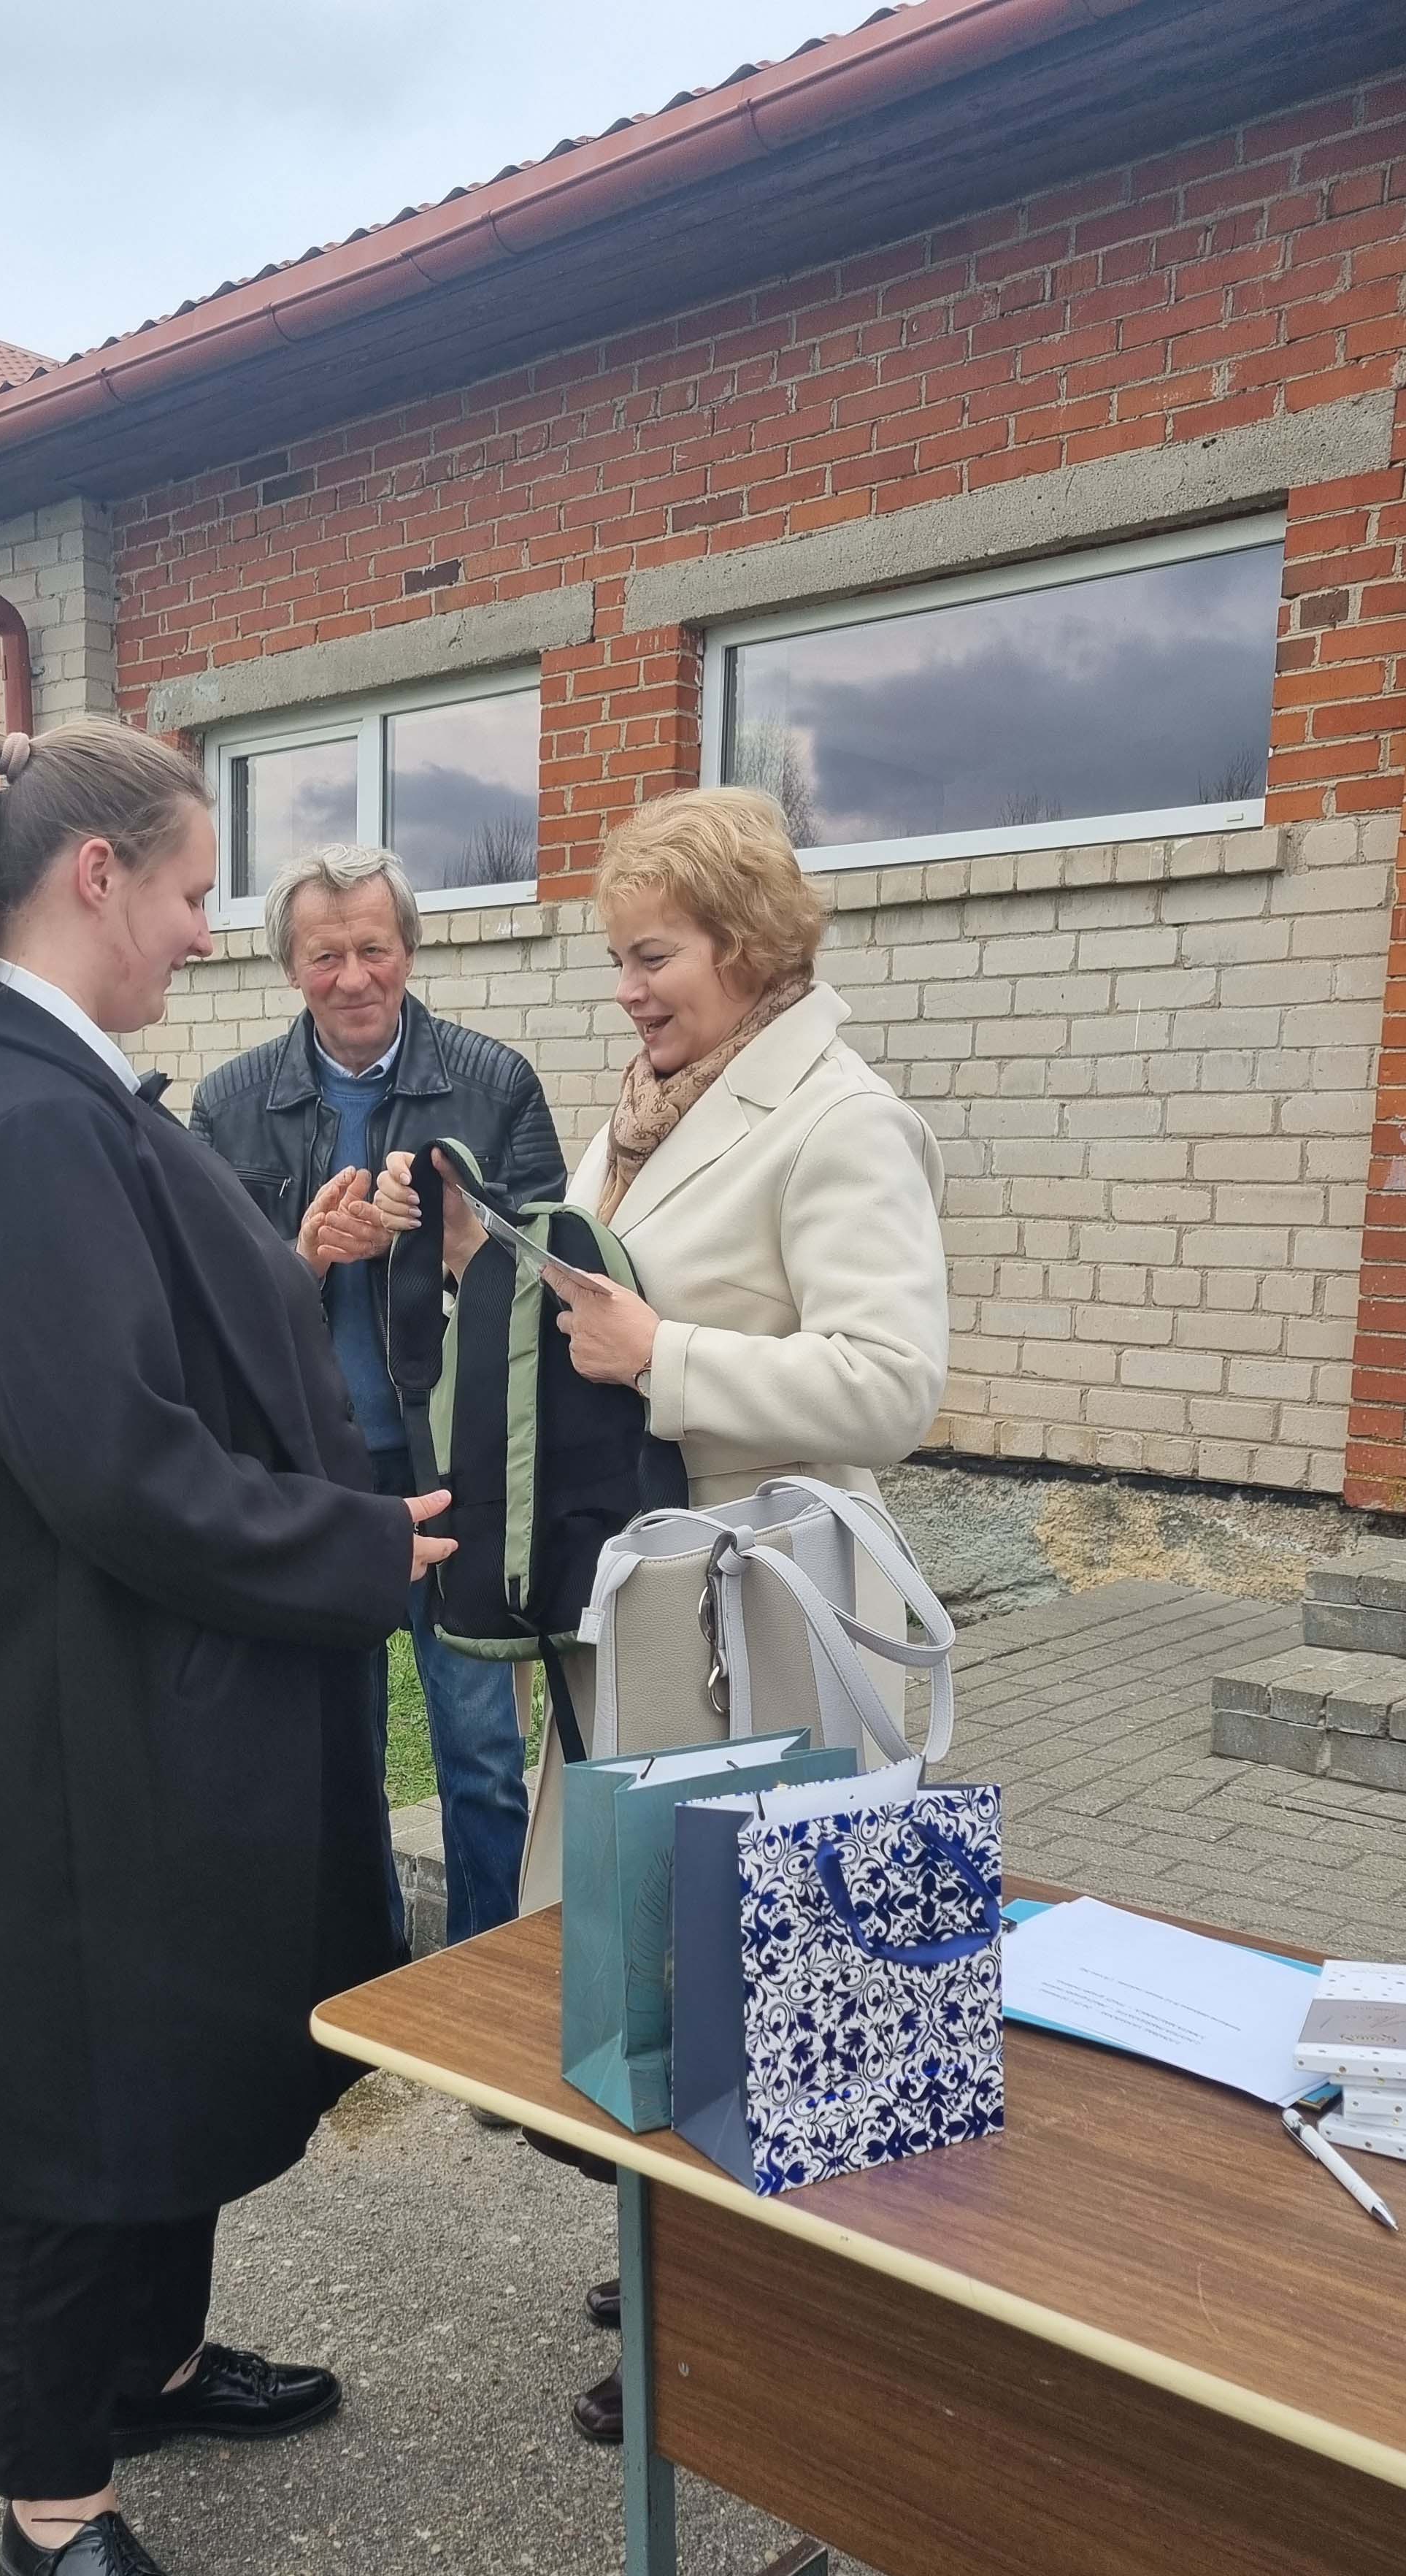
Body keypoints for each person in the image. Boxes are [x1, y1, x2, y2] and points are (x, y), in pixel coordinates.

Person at [0, 723, 455, 2576]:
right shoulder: (24, 1118)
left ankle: (160, 2360)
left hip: (140, 1690)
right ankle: (53, 2504)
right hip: (72, 1720)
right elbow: (116, 1466)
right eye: (199, 890)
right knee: (76, 2090)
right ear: (96, 875)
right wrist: (353, 1547)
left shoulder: (65, 1091)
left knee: (169, 2038)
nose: (216, 933)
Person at [377, 785, 948, 2442]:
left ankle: (742, 2322)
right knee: (659, 1959)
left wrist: (667, 1360)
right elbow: (603, 1302)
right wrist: (477, 1251)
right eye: (619, 959)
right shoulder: (653, 1107)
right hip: (652, 1609)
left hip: (767, 1614)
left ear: (749, 945)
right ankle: (683, 2250)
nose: (625, 991)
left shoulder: (841, 1119)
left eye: (654, 957)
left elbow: (892, 1384)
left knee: (755, 1974)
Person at [191, 846, 566, 1949]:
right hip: (320, 1479)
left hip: (459, 1474)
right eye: (326, 956)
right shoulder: (230, 1105)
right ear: (289, 966)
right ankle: (368, 1971)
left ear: (409, 950)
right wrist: (302, 1257)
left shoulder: (495, 1085)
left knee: (484, 1757)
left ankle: (490, 1977)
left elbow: (557, 1290)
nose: (353, 977)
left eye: (374, 949)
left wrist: (456, 1242)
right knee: (334, 1756)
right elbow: (202, 1307)